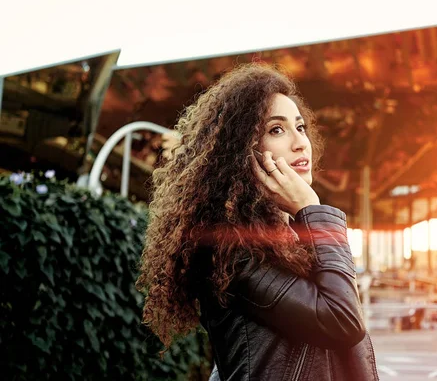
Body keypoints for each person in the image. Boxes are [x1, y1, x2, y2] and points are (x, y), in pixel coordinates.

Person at [136, 63, 379, 380]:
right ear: (241, 151)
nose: (300, 142)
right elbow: (342, 321)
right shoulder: (233, 251)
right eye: (276, 129)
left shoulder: (287, 239)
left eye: (300, 127)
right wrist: (310, 207)